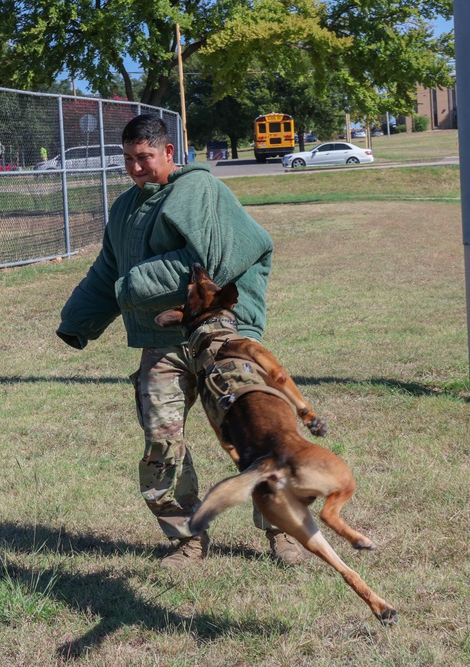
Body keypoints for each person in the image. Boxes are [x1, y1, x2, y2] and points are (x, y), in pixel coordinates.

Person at [57, 114, 305, 568]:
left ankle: (283, 531)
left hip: (217, 338)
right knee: (161, 441)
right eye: (128, 158)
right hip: (161, 342)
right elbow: (108, 271)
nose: (135, 167)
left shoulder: (198, 191)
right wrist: (78, 320)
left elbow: (203, 261)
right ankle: (187, 537)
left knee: (257, 437)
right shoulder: (126, 209)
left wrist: (129, 287)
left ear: (169, 152)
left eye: (145, 157)